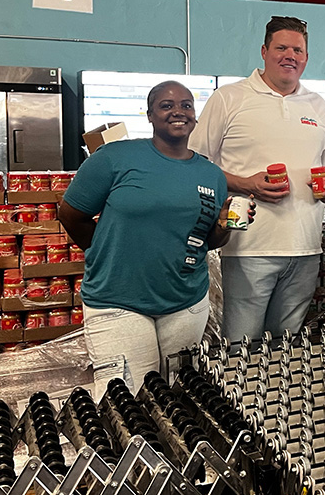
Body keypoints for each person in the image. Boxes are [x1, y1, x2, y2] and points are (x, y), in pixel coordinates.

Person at [60, 81, 235, 398]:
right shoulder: (115, 158)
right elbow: (72, 215)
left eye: (186, 105)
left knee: (179, 396)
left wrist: (226, 226)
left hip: (186, 304)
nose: (178, 111)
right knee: (127, 401)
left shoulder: (211, 175)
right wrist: (105, 253)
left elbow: (207, 239)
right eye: (166, 105)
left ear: (194, 117)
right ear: (150, 115)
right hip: (118, 302)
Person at [190, 16, 325, 342]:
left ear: (306, 57)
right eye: (282, 48)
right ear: (264, 51)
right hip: (249, 248)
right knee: (242, 345)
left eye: (298, 50)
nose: (290, 55)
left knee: (286, 347)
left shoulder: (316, 104)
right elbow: (196, 165)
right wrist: (246, 184)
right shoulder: (229, 98)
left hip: (305, 247)